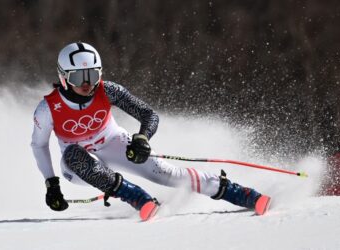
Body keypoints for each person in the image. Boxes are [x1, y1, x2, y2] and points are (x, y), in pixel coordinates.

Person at [31, 42, 271, 221]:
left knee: (169, 174)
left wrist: (142, 138)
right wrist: (51, 184)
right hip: (77, 165)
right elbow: (39, 145)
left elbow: (149, 114)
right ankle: (136, 197)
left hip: (113, 143)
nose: (86, 84)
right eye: (78, 77)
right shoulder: (48, 108)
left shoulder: (108, 90)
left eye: (92, 75)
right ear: (63, 77)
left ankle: (240, 193)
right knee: (75, 155)